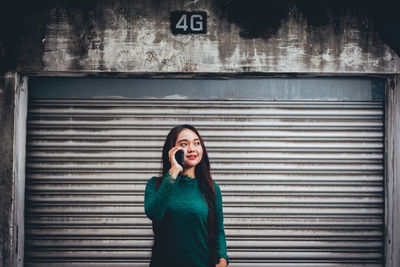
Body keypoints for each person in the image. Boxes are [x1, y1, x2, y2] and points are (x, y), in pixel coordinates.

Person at [144, 124, 229, 267]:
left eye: (197, 143)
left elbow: (218, 230)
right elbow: (155, 213)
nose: (192, 149)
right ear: (171, 150)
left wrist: (223, 260)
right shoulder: (155, 185)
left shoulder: (212, 188)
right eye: (184, 144)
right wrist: (174, 170)